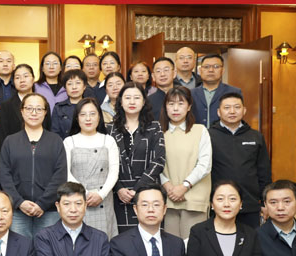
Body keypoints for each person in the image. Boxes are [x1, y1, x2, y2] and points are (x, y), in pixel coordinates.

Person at [0, 93, 66, 238]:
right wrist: (19, 202)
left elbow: (60, 176)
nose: (34, 113)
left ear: (45, 112)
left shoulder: (55, 141)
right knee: (19, 250)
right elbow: (5, 176)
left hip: (48, 211)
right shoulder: (10, 141)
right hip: (18, 211)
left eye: (39, 109)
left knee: (48, 249)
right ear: (22, 111)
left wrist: (42, 203)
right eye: (29, 108)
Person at [208, 92, 271, 229]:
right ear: (219, 112)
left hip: (250, 203)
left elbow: (264, 172)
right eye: (227, 108)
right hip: (219, 203)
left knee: (251, 239)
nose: (232, 111)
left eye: (237, 107)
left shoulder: (256, 137)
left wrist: (265, 202)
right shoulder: (208, 136)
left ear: (244, 110)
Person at [110, 83, 165, 233]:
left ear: (144, 101)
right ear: (121, 101)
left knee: (150, 237)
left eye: (137, 97)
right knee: (122, 240)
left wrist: (138, 189)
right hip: (119, 196)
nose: (132, 102)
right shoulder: (110, 129)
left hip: (148, 194)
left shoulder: (154, 127)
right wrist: (119, 188)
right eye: (127, 98)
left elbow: (159, 161)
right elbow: (106, 164)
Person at [159, 87, 211, 239]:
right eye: (171, 104)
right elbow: (155, 164)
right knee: (171, 247)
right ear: (165, 107)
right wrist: (169, 187)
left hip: (194, 200)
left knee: (193, 246)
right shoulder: (159, 133)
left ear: (189, 107)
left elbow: (205, 165)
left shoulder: (200, 130)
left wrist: (184, 187)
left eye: (181, 103)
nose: (175, 108)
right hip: (168, 199)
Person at [63, 98, 119, 238]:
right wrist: (86, 194)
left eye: (92, 114)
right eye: (83, 114)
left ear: (99, 117)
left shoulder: (108, 140)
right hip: (78, 200)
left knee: (103, 241)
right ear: (77, 118)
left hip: (103, 199)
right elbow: (66, 172)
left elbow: (114, 172)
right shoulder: (69, 141)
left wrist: (101, 194)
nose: (88, 118)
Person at [0, 64, 51, 149]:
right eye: (17, 77)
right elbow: (2, 137)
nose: (22, 80)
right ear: (13, 81)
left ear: (33, 79)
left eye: (26, 76)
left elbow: (48, 129)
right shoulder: (6, 106)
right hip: (15, 152)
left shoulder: (43, 103)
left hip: (41, 150)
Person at [191, 54, 242, 128]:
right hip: (196, 134)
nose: (211, 70)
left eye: (216, 66)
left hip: (224, 134)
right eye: (206, 67)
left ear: (223, 70)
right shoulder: (191, 93)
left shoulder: (234, 92)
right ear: (200, 70)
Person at [50, 69, 95, 139]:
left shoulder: (92, 106)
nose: (74, 87)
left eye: (78, 83)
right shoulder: (58, 108)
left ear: (84, 86)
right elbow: (55, 134)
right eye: (70, 84)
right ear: (65, 88)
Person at [147, 57, 178, 121]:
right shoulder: (148, 101)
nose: (162, 74)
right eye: (158, 71)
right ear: (153, 76)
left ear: (174, 73)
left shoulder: (184, 97)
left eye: (166, 70)